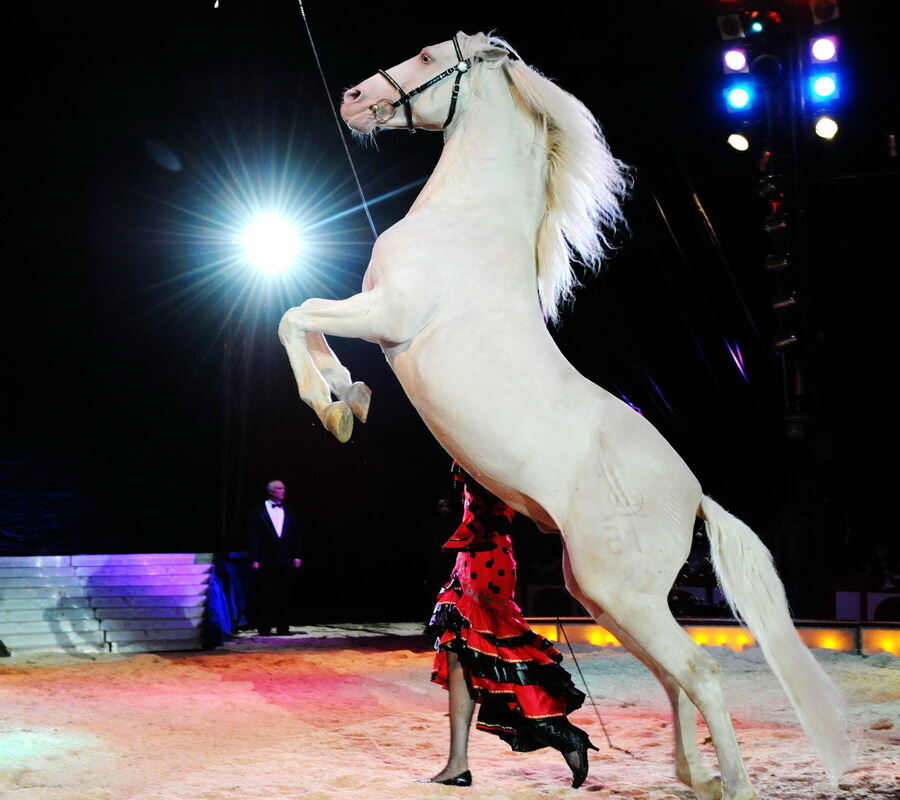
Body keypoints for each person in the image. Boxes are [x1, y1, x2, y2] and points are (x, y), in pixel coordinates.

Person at [427, 464, 597, 788]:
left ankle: (562, 733)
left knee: (503, 657)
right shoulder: (486, 455)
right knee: (459, 654)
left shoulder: (496, 461)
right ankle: (457, 763)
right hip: (474, 559)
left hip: (485, 563)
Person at [247, 479, 302, 636]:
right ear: (271, 491)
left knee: (284, 592)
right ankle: (264, 627)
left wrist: (297, 555)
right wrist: (254, 558)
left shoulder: (290, 511)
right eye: (279, 488)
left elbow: (295, 535)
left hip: (284, 558)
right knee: (265, 593)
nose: (283, 491)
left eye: (284, 488)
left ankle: (283, 627)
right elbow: (253, 537)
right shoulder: (257, 512)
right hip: (265, 559)